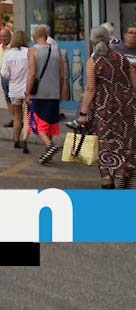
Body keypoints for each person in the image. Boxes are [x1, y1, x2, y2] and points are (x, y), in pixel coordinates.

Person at [72, 26, 136, 188]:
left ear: (93, 40)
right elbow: (134, 84)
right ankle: (125, 175)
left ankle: (108, 182)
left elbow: (90, 89)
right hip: (126, 108)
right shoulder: (123, 59)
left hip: (104, 110)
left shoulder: (93, 61)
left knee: (106, 144)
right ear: (109, 39)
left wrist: (83, 113)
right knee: (126, 144)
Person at [26, 24, 68, 165]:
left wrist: (27, 92)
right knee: (49, 123)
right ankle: (47, 152)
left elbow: (31, 73)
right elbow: (62, 75)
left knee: (37, 123)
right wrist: (60, 92)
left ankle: (50, 146)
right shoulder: (57, 51)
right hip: (54, 93)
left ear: (34, 36)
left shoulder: (32, 51)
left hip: (39, 93)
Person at [0, 30, 31, 151]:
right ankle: (25, 140)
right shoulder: (29, 52)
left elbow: (4, 73)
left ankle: (16, 139)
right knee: (27, 116)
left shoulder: (9, 53)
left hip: (14, 89)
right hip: (27, 89)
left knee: (17, 117)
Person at [0, 28, 13, 127]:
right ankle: (13, 118)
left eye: (5, 36)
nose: (3, 38)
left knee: (13, 99)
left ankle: (19, 119)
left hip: (12, 78)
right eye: (1, 36)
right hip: (3, 76)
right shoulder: (0, 47)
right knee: (7, 98)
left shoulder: (13, 47)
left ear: (10, 36)